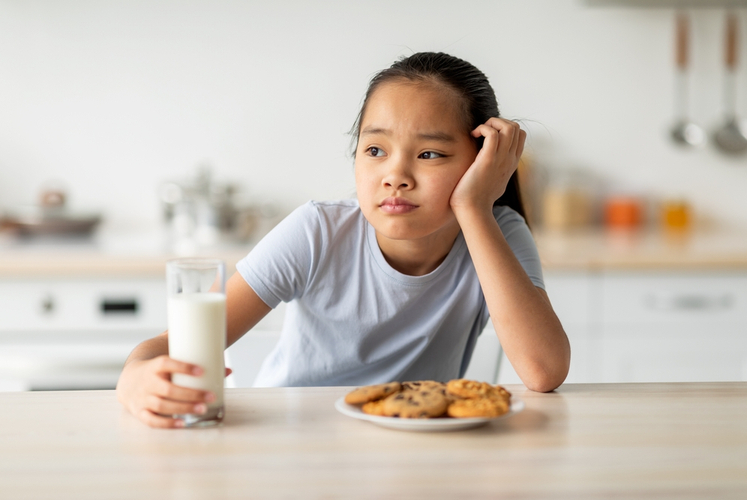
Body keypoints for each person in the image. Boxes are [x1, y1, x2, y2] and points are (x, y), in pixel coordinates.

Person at [117, 52, 571, 428]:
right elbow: (161, 348)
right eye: (375, 150)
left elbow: (543, 370)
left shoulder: (496, 231)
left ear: (482, 163)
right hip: (293, 445)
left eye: (430, 153)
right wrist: (135, 378)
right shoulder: (316, 232)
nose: (395, 176)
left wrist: (474, 207)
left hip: (414, 456)